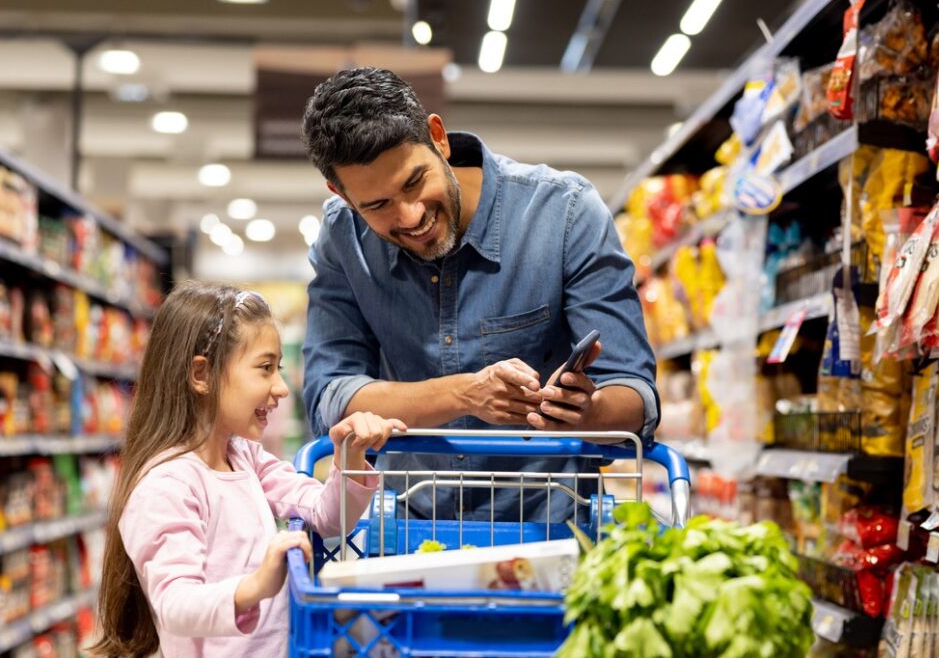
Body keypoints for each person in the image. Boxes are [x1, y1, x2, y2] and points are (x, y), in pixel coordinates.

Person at [300, 67, 658, 523]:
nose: (410, 216)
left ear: (438, 138)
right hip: (408, 530)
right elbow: (331, 396)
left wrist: (585, 411)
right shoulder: (341, 238)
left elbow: (635, 393)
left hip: (556, 529)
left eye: (413, 183)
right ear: (342, 195)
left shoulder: (564, 214)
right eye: (377, 205)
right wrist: (466, 394)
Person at [90, 281, 405, 658]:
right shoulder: (166, 485)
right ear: (201, 374)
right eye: (265, 368)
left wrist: (350, 457)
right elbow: (174, 604)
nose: (282, 388)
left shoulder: (244, 457)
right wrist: (255, 586)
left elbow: (327, 515)